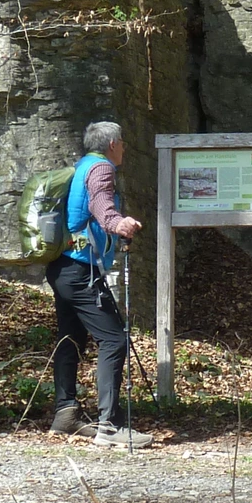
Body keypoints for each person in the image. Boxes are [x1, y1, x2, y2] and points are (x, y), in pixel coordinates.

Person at [45, 122, 153, 448]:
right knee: (113, 340)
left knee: (72, 339)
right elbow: (101, 205)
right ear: (112, 144)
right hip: (80, 271)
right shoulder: (101, 168)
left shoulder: (82, 166)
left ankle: (66, 414)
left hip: (63, 267)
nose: (124, 149)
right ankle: (109, 426)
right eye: (122, 143)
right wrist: (118, 223)